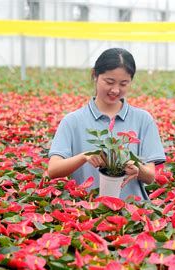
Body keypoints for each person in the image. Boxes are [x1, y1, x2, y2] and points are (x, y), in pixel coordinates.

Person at [47, 48, 166, 200]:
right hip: (88, 213)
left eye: (124, 83)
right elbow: (53, 169)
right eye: (109, 82)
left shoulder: (143, 119)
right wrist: (85, 156)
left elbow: (150, 176)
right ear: (95, 75)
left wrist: (137, 169)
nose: (115, 90)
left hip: (133, 216)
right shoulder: (72, 121)